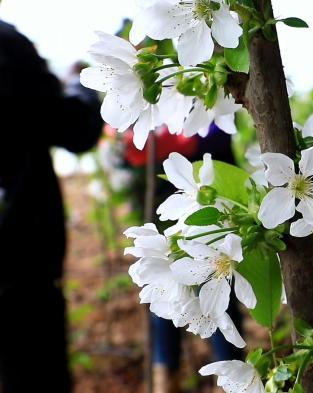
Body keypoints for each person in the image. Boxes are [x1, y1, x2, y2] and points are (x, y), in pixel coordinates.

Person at [0, 21, 103, 392]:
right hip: (21, 257)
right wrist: (81, 83)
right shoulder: (6, 43)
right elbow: (74, 127)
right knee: (32, 371)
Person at [120, 124, 242, 393]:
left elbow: (218, 136)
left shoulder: (201, 98)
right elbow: (129, 155)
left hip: (216, 218)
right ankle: (165, 379)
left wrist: (177, 141)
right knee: (165, 306)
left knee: (221, 300)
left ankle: (231, 378)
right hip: (169, 223)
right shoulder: (151, 111)